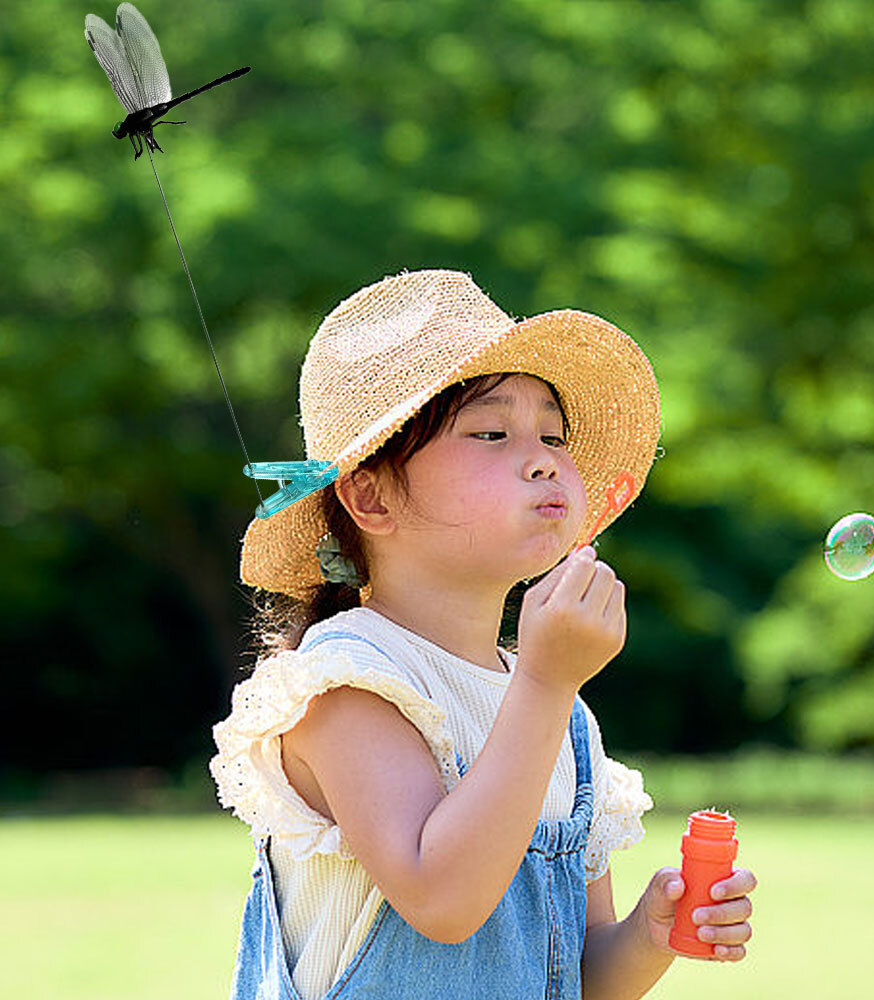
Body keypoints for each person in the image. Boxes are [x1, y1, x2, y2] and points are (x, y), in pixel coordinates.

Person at [209, 269, 757, 1000]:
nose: (543, 458)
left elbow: (574, 977)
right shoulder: (344, 682)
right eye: (491, 432)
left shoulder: (561, 717)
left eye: (553, 435)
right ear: (370, 494)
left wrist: (650, 936)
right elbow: (442, 900)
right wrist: (546, 681)